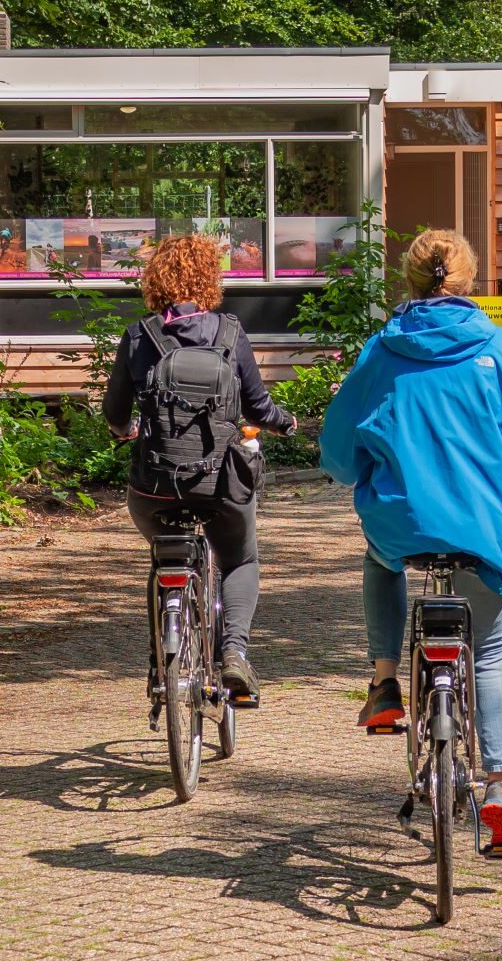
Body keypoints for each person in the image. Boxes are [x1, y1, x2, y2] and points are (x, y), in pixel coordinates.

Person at [319, 228, 502, 851]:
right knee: (492, 650)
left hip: (403, 522)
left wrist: (366, 469)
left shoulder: (380, 352)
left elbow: (340, 451)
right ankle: (501, 786)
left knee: (380, 559)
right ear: (469, 279)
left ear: (409, 278)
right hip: (482, 526)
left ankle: (384, 682)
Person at [103, 233, 295, 701]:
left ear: (155, 280)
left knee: (163, 554)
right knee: (241, 558)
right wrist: (285, 423)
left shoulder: (138, 335)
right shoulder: (229, 332)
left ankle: (159, 661)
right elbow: (257, 405)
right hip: (220, 482)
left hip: (154, 482)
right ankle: (234, 653)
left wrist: (125, 429)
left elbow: (114, 412)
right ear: (210, 277)